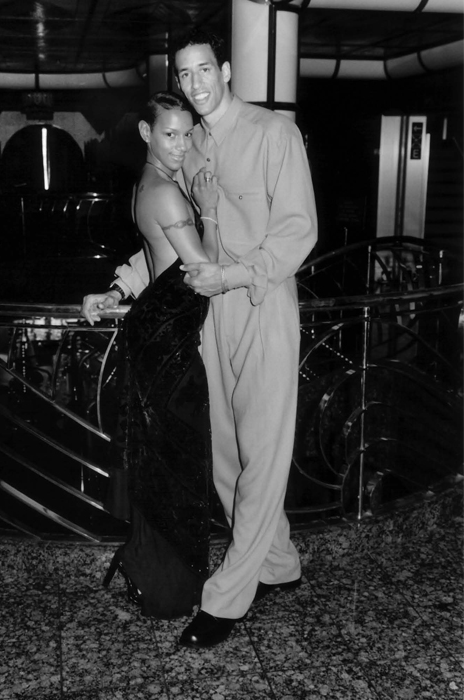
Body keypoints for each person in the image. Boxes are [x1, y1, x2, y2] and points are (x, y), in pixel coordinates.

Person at [169, 28, 319, 648]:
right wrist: (122, 284)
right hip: (213, 311)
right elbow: (173, 227)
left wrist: (230, 275)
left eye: (204, 69)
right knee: (227, 454)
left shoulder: (273, 133)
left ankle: (227, 598)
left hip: (262, 300)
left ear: (226, 70)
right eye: (185, 74)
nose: (196, 83)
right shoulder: (191, 145)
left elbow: (298, 231)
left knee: (263, 452)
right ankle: (278, 563)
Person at [81, 91, 219, 619]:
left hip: (158, 338)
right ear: (146, 133)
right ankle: (166, 585)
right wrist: (210, 211)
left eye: (187, 134)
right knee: (177, 463)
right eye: (170, 134)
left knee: (162, 459)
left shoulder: (151, 182)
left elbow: (153, 255)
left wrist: (115, 290)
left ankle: (147, 567)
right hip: (169, 347)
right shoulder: (167, 192)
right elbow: (202, 274)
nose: (181, 145)